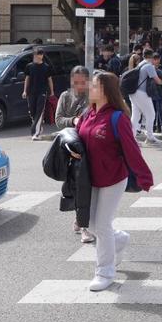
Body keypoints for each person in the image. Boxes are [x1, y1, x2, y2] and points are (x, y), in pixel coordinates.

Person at [77, 70, 154, 292]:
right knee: (90, 225)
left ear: (105, 91)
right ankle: (118, 239)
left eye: (94, 86)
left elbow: (132, 150)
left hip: (113, 179)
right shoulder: (87, 114)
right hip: (90, 179)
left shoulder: (117, 118)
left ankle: (105, 272)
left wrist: (144, 177)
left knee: (101, 225)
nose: (90, 89)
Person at [55, 66, 95, 243]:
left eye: (83, 82)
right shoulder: (65, 96)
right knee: (76, 186)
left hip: (90, 145)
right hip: (71, 146)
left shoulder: (94, 95)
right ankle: (81, 222)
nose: (79, 86)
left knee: (86, 187)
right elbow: (58, 120)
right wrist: (73, 120)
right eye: (76, 82)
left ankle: (84, 225)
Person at [128, 50, 162, 146]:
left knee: (135, 116)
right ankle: (150, 137)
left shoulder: (140, 64)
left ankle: (131, 137)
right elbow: (157, 80)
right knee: (151, 114)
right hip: (142, 93)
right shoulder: (149, 66)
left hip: (133, 92)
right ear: (151, 56)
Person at [22, 47, 54, 140]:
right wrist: (24, 91)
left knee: (39, 112)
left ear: (42, 56)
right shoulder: (29, 66)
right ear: (34, 55)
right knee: (32, 111)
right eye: (37, 54)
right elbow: (27, 79)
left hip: (42, 92)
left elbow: (50, 80)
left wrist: (52, 92)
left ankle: (35, 133)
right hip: (31, 92)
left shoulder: (46, 67)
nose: (39, 56)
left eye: (40, 54)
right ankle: (38, 127)